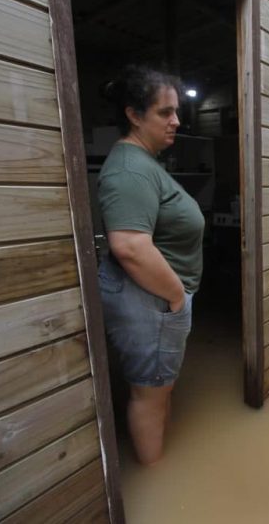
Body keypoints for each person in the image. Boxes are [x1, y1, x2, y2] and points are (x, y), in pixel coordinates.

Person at [97, 64, 204, 465]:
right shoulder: (129, 169)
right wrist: (177, 296)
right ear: (133, 114)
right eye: (165, 112)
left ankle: (156, 464)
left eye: (176, 111)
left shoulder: (145, 163)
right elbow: (129, 246)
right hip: (151, 300)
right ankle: (156, 473)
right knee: (150, 394)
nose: (176, 121)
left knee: (156, 388)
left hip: (154, 300)